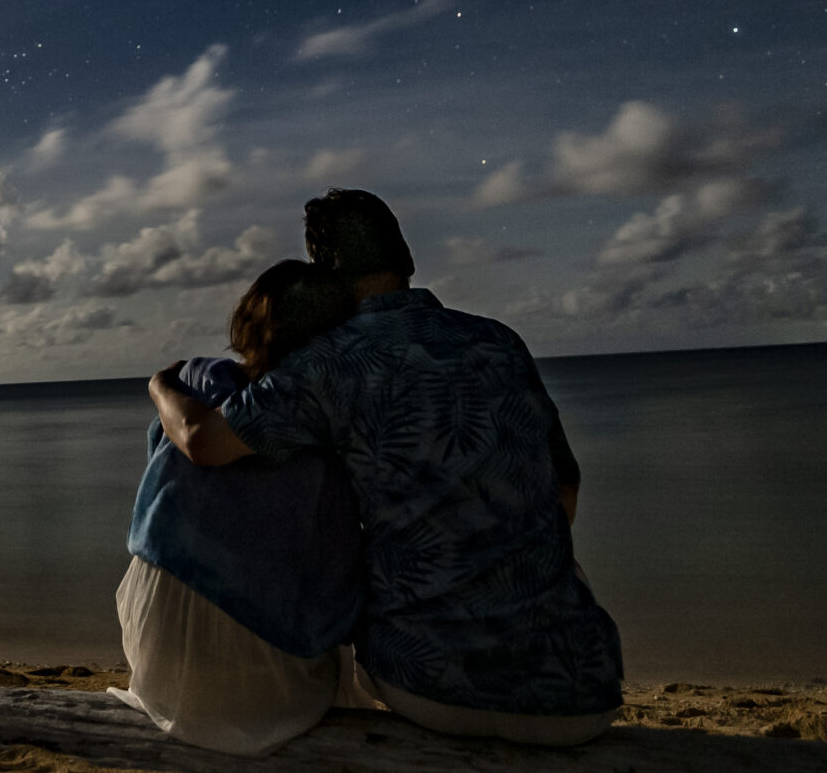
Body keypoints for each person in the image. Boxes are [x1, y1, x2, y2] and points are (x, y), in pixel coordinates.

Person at [147, 190, 623, 747]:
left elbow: (201, 442)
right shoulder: (500, 342)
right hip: (583, 694)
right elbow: (564, 493)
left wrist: (160, 386)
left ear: (326, 272)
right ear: (408, 260)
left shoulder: (326, 364)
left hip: (427, 688)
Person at [113, 259, 369, 754]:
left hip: (159, 665)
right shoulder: (323, 412)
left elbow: (170, 457)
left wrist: (159, 385)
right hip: (266, 696)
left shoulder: (196, 381)